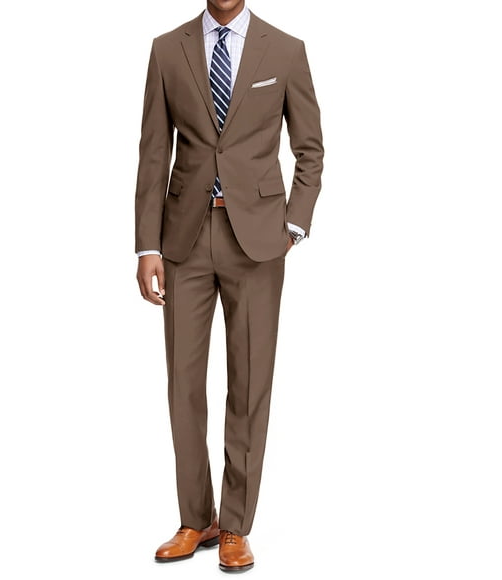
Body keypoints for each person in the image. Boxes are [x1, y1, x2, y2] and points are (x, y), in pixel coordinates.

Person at [134, 0, 323, 572]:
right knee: (183, 386)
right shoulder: (167, 50)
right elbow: (153, 152)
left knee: (249, 384)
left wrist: (294, 224)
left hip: (259, 241)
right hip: (183, 239)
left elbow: (310, 149)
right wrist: (146, 246)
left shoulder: (285, 50)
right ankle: (197, 519)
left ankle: (236, 525)